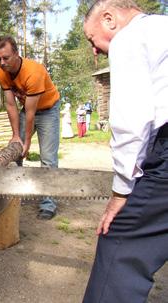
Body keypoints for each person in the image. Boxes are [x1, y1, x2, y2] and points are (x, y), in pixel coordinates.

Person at [83, 1, 168, 302]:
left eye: (92, 40)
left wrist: (120, 192)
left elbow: (132, 124)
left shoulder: (129, 38)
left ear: (109, 19)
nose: (94, 50)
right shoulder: (162, 28)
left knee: (119, 246)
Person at [0, 35, 60, 220]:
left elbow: (31, 113)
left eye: (6, 57)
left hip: (47, 110)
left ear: (16, 53)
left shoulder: (33, 72)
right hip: (27, 108)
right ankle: (16, 195)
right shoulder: (1, 71)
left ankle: (48, 203)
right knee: (15, 151)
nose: (2, 62)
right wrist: (16, 136)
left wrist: (27, 142)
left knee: (47, 158)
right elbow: (10, 105)